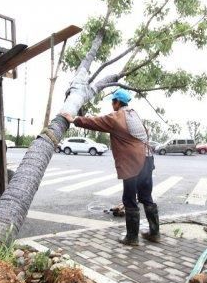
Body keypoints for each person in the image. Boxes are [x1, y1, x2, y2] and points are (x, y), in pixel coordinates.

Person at [62, 88, 158, 246]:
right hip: (147, 160)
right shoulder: (134, 114)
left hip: (133, 163)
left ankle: (132, 238)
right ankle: (155, 234)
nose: (112, 104)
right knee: (146, 197)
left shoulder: (117, 117)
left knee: (129, 198)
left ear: (118, 102)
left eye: (113, 101)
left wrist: (74, 119)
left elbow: (95, 122)